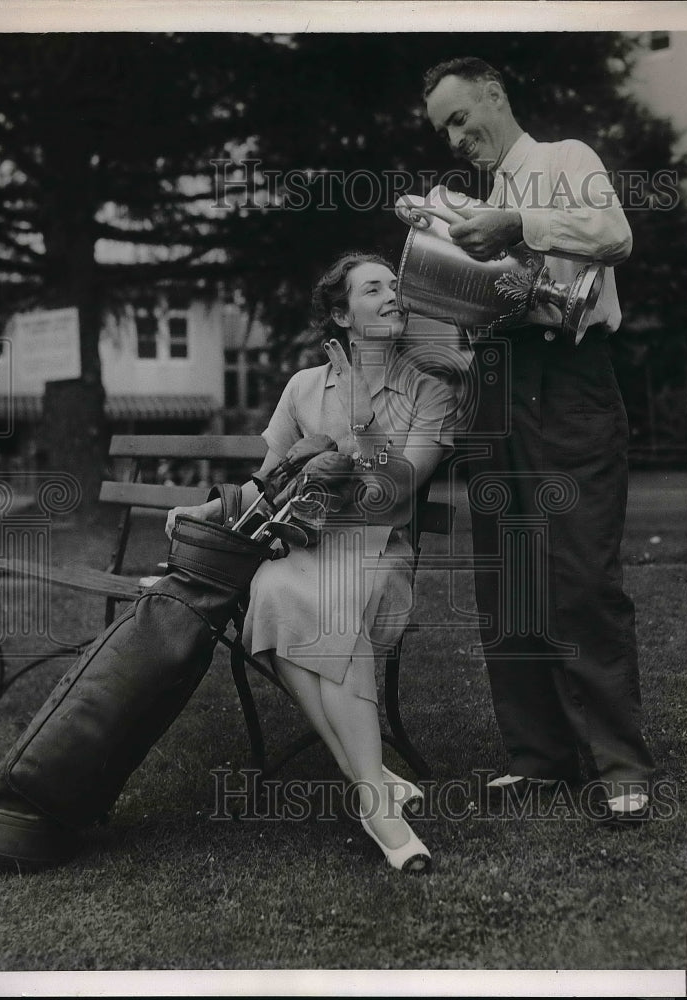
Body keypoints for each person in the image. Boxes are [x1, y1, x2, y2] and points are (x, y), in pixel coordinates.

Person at [166, 252, 457, 871]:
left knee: (334, 606)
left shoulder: (430, 386)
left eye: (395, 287)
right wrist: (203, 510)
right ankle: (371, 784)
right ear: (340, 313)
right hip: (307, 542)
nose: (392, 296)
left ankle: (372, 797)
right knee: (271, 591)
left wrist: (359, 410)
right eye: (372, 289)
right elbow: (268, 482)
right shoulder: (301, 386)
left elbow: (396, 491)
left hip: (380, 550)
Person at [421, 57, 655, 820]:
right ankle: (543, 761)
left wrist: (517, 224)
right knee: (509, 583)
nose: (456, 137)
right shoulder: (479, 204)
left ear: (496, 95)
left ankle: (621, 766)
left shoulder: (565, 160)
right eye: (443, 130)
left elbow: (615, 235)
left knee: (582, 575)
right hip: (498, 383)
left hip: (571, 381)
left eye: (461, 117)